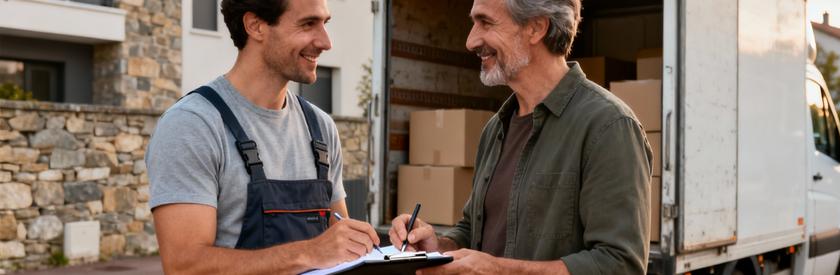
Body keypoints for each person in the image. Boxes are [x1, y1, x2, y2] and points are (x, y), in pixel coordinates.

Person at [388, 0, 653, 274]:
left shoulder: (608, 127)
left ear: (536, 27)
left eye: (486, 22)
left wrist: (499, 270)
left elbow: (620, 265)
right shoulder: (495, 129)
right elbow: (474, 231)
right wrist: (438, 247)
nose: (470, 41)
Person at [146, 0, 379, 274]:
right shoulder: (193, 125)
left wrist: (400, 253)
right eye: (308, 24)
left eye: (324, 24)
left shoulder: (321, 127)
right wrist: (309, 253)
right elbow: (185, 266)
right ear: (255, 26)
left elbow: (339, 251)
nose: (325, 42)